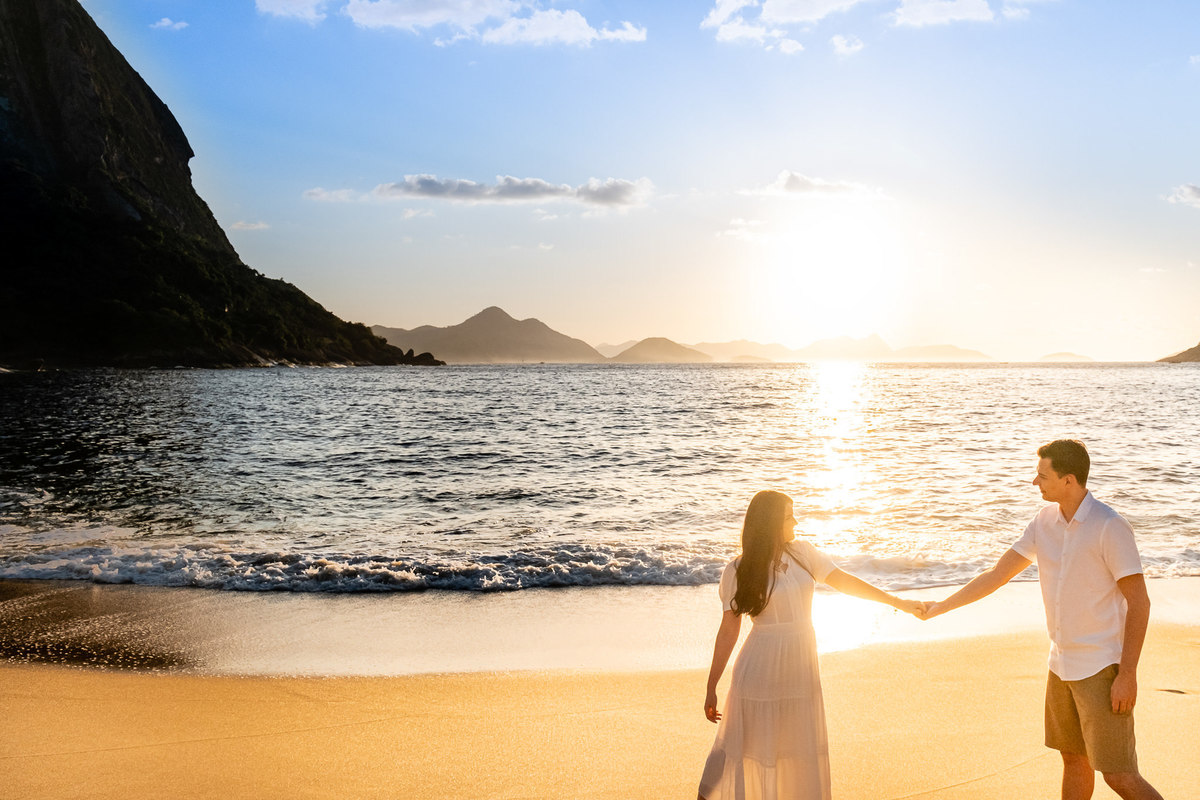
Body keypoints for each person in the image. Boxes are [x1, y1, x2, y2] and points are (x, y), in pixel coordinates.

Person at [921, 440, 1163, 800]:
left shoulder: (1109, 526)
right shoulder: (1043, 522)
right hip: (1060, 665)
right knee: (1073, 759)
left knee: (1119, 775)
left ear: (1069, 480)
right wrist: (941, 606)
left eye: (1042, 475)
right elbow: (997, 574)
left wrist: (1127, 674)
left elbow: (1139, 602)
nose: (1035, 482)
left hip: (1101, 668)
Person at [698, 489, 924, 800]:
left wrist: (896, 600)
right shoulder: (738, 569)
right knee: (740, 746)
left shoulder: (803, 553)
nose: (795, 521)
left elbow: (844, 580)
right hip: (758, 668)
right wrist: (712, 685)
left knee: (796, 750)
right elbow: (729, 629)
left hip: (800, 669)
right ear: (771, 522)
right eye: (789, 515)